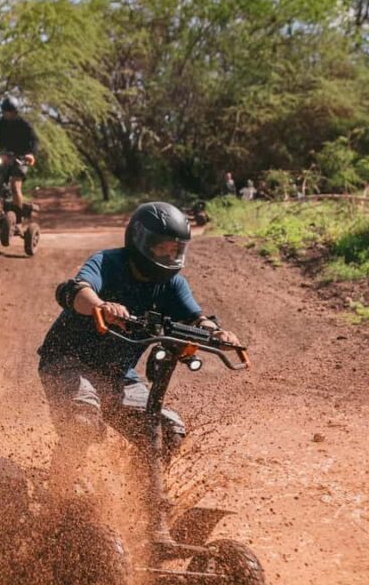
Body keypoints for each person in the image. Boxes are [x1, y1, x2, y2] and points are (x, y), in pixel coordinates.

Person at [38, 201, 241, 541]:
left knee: (166, 430)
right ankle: (57, 495)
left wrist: (216, 332)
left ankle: (138, 502)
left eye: (175, 247)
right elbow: (77, 290)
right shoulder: (108, 262)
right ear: (140, 241)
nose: (169, 253)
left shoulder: (174, 284)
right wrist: (101, 306)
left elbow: (195, 317)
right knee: (83, 420)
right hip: (68, 363)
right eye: (162, 246)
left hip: (119, 377)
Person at [0, 98, 38, 218]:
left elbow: (34, 140)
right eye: (5, 112)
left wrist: (31, 154)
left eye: (10, 112)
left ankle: (17, 217)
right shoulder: (0, 122)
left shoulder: (24, 124)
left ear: (15, 112)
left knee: (14, 185)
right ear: (2, 112)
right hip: (4, 155)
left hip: (21, 158)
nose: (7, 114)